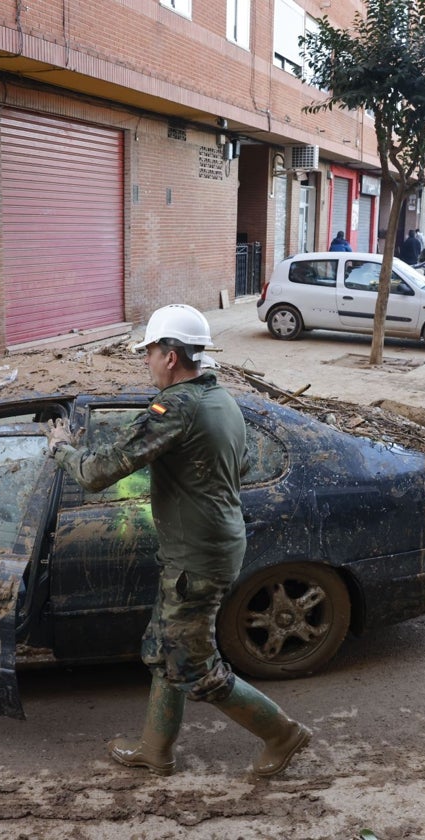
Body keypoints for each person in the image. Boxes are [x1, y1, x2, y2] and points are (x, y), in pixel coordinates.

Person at [45, 304, 312, 778]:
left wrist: (62, 447)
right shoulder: (219, 399)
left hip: (197, 560)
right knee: (164, 647)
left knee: (194, 667)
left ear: (170, 356)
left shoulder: (177, 408)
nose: (145, 360)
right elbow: (243, 462)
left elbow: (97, 472)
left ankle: (282, 734)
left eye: (148, 351)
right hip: (208, 547)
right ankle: (156, 748)